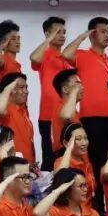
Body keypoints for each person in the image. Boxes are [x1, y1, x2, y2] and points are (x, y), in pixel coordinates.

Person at [62, 16, 108, 174]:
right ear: (92, 34)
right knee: (94, 159)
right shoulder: (82, 55)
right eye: (102, 32)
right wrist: (83, 36)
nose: (107, 35)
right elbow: (66, 54)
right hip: (91, 117)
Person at [30, 16, 69, 169]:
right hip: (48, 115)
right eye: (58, 32)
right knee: (50, 159)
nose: (62, 35)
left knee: (66, 158)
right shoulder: (44, 54)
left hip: (66, 114)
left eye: (64, 32)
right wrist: (48, 40)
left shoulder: (66, 58)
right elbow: (34, 58)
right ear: (47, 34)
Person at [0, 73, 37, 170]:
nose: (26, 91)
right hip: (11, 169)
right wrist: (9, 87)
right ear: (9, 90)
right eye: (21, 87)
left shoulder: (24, 112)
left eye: (26, 87)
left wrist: (31, 163)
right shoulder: (6, 111)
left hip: (27, 169)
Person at [50, 68, 82, 159]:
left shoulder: (74, 112)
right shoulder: (61, 107)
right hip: (66, 158)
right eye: (77, 83)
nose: (82, 87)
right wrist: (74, 92)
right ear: (65, 89)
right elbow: (67, 116)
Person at [0, 19, 22, 84]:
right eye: (13, 39)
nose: (18, 42)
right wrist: (2, 45)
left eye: (18, 38)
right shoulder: (3, 59)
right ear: (3, 42)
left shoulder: (16, 64)